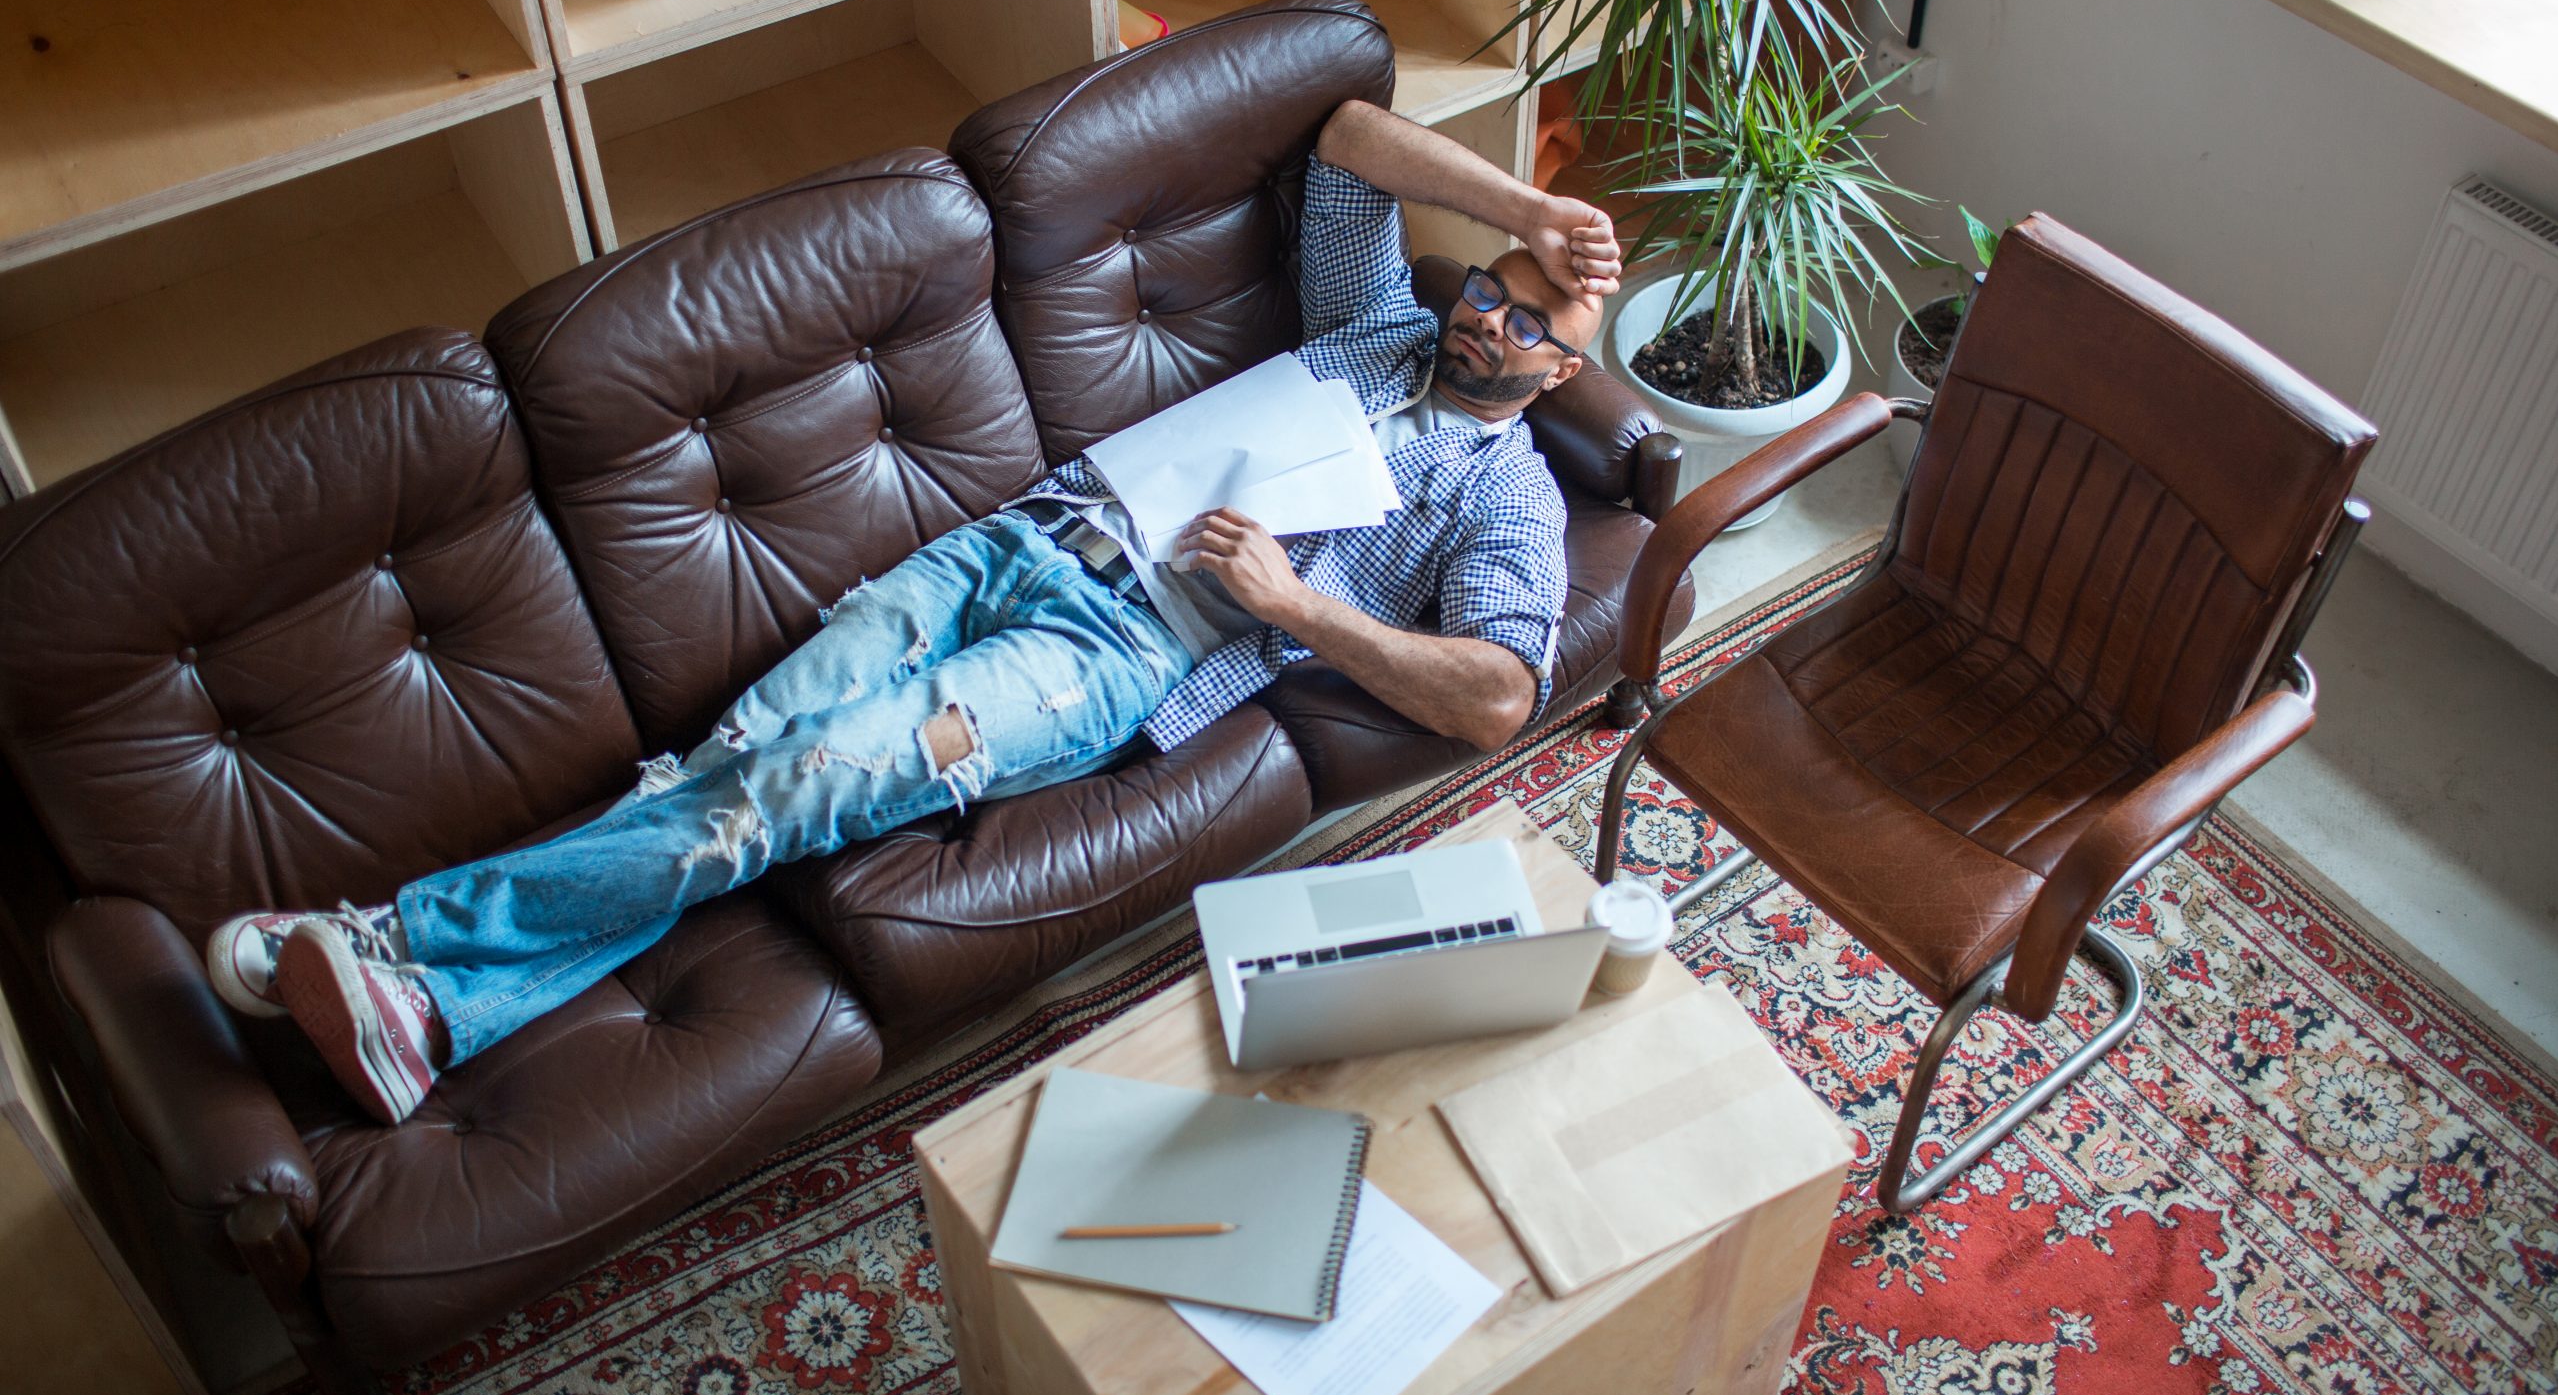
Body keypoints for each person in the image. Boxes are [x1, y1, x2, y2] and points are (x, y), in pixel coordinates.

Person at [201, 97, 1623, 1124]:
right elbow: (1348, 140)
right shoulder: (1372, 322)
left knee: (790, 783)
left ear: (1561, 375)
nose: (1488, 323)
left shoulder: (1507, 501)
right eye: (1490, 297)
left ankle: (398, 934)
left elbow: (1502, 692)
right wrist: (1532, 213)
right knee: (732, 767)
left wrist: (1298, 609)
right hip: (1011, 541)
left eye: (1525, 326)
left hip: (1120, 652)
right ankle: (437, 1018)